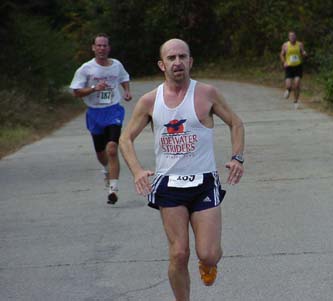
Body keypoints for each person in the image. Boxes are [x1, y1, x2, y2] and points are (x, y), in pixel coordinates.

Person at [119, 38, 245, 301]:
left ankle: (208, 263)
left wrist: (237, 158)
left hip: (203, 182)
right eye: (171, 58)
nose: (177, 62)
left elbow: (235, 123)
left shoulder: (207, 93)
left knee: (208, 253)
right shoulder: (150, 101)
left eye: (182, 57)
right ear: (161, 64)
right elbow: (125, 139)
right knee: (178, 253)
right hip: (169, 184)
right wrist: (137, 171)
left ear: (190, 61)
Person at [70, 33, 132, 204]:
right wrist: (93, 88)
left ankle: (113, 189)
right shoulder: (86, 69)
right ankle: (106, 170)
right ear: (93, 48)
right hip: (95, 112)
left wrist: (126, 90)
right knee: (101, 153)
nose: (102, 48)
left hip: (113, 110)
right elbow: (76, 92)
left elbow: (124, 78)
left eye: (105, 45)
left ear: (109, 48)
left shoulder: (116, 65)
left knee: (112, 148)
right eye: (99, 45)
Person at [280, 31, 307, 109]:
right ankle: (288, 90)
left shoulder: (300, 44)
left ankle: (296, 101)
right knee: (288, 85)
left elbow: (303, 52)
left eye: (294, 36)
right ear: (289, 37)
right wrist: (284, 62)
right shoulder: (285, 45)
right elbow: (281, 54)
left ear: (296, 37)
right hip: (289, 67)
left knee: (297, 84)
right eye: (291, 36)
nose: (292, 37)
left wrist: (304, 53)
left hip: (298, 66)